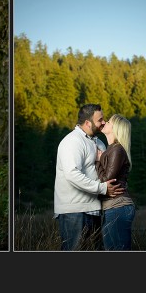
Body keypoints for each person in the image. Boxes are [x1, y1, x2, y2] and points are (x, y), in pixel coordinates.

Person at [54, 103, 124, 250]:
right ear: (87, 123)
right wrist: (102, 188)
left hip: (95, 209)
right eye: (100, 120)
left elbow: (104, 173)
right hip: (74, 210)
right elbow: (72, 174)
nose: (103, 122)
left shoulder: (99, 143)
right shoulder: (72, 141)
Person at [97, 114, 135, 250]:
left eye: (108, 121)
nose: (104, 122)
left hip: (118, 206)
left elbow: (106, 180)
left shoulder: (117, 149)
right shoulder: (111, 149)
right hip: (113, 207)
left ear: (115, 128)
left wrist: (97, 162)